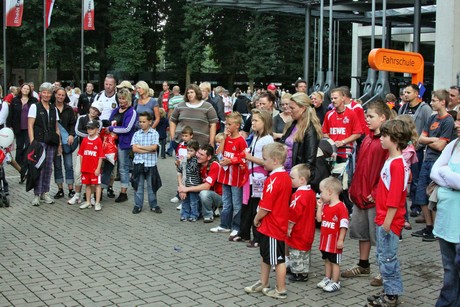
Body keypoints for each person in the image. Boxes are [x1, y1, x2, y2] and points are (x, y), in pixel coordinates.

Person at [341, 101, 391, 283]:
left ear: (383, 118)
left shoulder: (387, 141)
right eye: (366, 116)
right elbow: (360, 166)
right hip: (361, 194)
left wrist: (377, 191)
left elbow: (388, 170)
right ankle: (363, 264)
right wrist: (354, 188)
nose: (367, 120)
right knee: (362, 233)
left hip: (375, 197)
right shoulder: (368, 138)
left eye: (371, 116)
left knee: (377, 235)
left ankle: (383, 271)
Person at [366, 119, 412, 307]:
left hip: (389, 220)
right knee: (382, 257)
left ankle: (392, 295)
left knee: (387, 258)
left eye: (384, 136)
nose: (381, 139)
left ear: (394, 139)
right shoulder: (390, 160)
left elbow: (395, 197)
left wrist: (387, 222)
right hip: (383, 216)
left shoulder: (397, 164)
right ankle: (388, 289)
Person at [244, 142, 292, 299]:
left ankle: (281, 289)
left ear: (275, 160)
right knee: (265, 256)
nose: (263, 161)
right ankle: (263, 282)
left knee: (278, 259)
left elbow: (266, 206)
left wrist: (257, 218)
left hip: (273, 226)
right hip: (271, 225)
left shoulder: (275, 179)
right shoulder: (281, 177)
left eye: (265, 159)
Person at [411, 89, 455, 242]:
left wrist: (428, 140)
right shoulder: (431, 118)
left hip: (438, 161)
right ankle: (429, 227)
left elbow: (441, 146)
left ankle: (436, 229)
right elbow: (420, 139)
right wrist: (432, 140)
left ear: (443, 102)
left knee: (434, 196)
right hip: (427, 160)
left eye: (435, 100)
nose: (432, 102)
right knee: (421, 193)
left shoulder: (448, 121)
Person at [430, 112, 460, 307]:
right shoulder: (454, 145)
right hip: (446, 223)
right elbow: (434, 171)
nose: (457, 124)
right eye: (458, 119)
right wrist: (451, 179)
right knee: (450, 270)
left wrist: (446, 174)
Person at [239, 109, 274, 245]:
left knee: (256, 208)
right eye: (252, 120)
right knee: (248, 206)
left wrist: (249, 157)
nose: (252, 123)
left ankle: (258, 237)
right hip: (251, 177)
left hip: (260, 178)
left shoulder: (267, 139)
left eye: (255, 121)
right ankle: (245, 233)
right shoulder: (256, 137)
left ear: (264, 122)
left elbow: (267, 161)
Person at [210, 112, 247, 238]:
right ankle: (224, 225)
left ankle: (237, 227)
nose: (227, 126)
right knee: (226, 202)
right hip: (225, 176)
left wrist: (231, 161)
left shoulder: (241, 141)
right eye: (226, 124)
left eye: (229, 124)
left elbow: (244, 158)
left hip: (236, 178)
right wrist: (224, 139)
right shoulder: (227, 138)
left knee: (237, 203)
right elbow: (218, 153)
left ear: (237, 126)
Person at [398, 84, 432, 218]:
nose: (405, 94)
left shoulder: (425, 109)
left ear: (416, 93)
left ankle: (416, 205)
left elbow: (428, 126)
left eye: (408, 92)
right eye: (404, 92)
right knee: (405, 177)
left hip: (417, 149)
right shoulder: (403, 108)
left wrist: (420, 141)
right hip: (403, 147)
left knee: (416, 178)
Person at [28, 82, 61, 206]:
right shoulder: (34, 107)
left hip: (51, 142)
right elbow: (30, 125)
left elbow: (56, 128)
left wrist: (59, 145)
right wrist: (32, 142)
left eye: (49, 92)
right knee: (39, 167)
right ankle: (37, 194)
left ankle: (45, 193)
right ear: (40, 93)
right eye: (44, 92)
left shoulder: (53, 108)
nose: (47, 95)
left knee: (48, 168)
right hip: (39, 142)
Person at [316, 177, 349, 293]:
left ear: (329, 191)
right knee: (327, 260)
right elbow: (319, 220)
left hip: (334, 242)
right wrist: (319, 207)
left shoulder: (341, 207)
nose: (320, 195)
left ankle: (336, 281)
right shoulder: (325, 206)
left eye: (321, 192)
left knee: (335, 262)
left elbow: (344, 225)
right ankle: (327, 278)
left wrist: (341, 239)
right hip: (325, 241)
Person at [105, 88, 137, 203]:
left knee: (123, 168)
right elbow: (110, 121)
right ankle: (107, 188)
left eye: (123, 98)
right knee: (110, 167)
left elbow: (127, 129)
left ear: (128, 99)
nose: (121, 101)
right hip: (112, 143)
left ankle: (123, 192)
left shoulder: (131, 112)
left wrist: (112, 129)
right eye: (119, 98)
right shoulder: (116, 110)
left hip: (124, 144)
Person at [286, 164, 317, 282]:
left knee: (296, 251)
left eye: (292, 178)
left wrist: (289, 227)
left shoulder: (298, 195)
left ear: (302, 180)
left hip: (300, 229)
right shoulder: (311, 193)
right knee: (305, 252)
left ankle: (298, 273)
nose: (290, 180)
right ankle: (304, 271)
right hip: (309, 229)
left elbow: (294, 213)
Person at [68, 102, 103, 205]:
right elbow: (77, 131)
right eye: (93, 109)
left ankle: (91, 197)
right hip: (83, 152)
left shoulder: (99, 122)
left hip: (94, 155)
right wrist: (89, 134)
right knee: (78, 173)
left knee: (92, 175)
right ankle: (77, 195)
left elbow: (97, 134)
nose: (93, 111)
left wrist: (89, 134)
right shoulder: (81, 118)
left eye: (96, 111)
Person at [178, 144, 222, 223]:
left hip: (219, 196)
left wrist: (186, 189)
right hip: (205, 194)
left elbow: (206, 186)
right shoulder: (196, 163)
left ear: (208, 157)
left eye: (201, 154)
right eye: (198, 153)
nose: (198, 155)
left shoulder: (214, 165)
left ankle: (208, 215)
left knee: (204, 193)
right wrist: (181, 187)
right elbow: (180, 172)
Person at [280, 92, 322, 175]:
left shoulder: (310, 130)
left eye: (292, 108)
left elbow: (309, 162)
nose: (289, 110)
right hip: (285, 173)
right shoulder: (292, 124)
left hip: (296, 176)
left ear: (303, 108)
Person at [131, 112, 162, 214]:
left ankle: (154, 205)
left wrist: (140, 147)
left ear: (150, 122)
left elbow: (154, 148)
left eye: (144, 121)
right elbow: (134, 149)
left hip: (150, 164)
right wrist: (147, 149)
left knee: (151, 185)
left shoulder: (154, 133)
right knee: (138, 185)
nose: (141, 123)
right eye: (140, 121)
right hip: (138, 163)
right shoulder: (136, 134)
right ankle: (138, 205)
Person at [7, 83, 38, 181]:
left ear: (30, 91)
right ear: (21, 89)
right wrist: (9, 127)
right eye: (24, 88)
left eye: (27, 89)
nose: (25, 90)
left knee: (28, 148)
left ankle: (26, 168)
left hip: (29, 128)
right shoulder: (15, 100)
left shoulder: (34, 101)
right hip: (18, 128)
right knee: (19, 148)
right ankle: (21, 171)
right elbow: (10, 114)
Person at [53, 87, 77, 199]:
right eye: (59, 94)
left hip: (67, 140)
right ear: (55, 95)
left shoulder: (69, 109)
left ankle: (71, 189)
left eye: (63, 95)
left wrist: (72, 134)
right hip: (55, 141)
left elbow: (73, 123)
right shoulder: (51, 108)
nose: (60, 97)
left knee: (69, 165)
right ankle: (60, 189)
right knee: (57, 165)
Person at [78, 120, 104, 211]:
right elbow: (81, 154)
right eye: (88, 128)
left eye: (92, 128)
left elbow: (101, 156)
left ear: (97, 129)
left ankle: (97, 202)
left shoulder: (98, 141)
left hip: (94, 169)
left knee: (97, 185)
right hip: (86, 168)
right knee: (87, 185)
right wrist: (82, 167)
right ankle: (88, 202)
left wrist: (98, 168)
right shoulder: (84, 140)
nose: (89, 130)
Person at [177, 140, 201, 221]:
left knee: (194, 201)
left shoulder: (196, 160)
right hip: (185, 184)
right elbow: (179, 170)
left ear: (196, 151)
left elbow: (193, 169)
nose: (189, 152)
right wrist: (181, 161)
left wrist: (188, 159)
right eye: (188, 150)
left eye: (191, 151)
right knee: (185, 201)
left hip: (194, 184)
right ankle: (185, 214)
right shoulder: (184, 159)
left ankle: (194, 214)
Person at [170, 126, 194, 206]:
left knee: (187, 182)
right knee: (180, 181)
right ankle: (179, 195)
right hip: (181, 166)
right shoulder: (180, 145)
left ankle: (185, 201)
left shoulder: (193, 145)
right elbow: (178, 154)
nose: (184, 138)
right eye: (183, 136)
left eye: (186, 136)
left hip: (190, 167)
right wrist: (177, 162)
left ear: (191, 136)